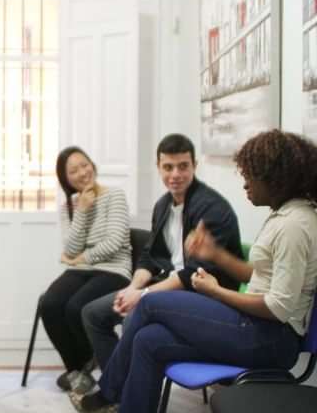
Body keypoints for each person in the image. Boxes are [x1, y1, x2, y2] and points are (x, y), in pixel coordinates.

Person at [74, 129, 317, 413]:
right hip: (256, 328)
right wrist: (216, 253)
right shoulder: (286, 215)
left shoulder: (294, 225)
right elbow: (255, 275)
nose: (244, 183)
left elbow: (278, 308)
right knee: (149, 340)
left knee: (148, 304)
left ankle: (110, 392)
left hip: (270, 339)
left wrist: (216, 291)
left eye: (251, 176)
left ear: (276, 179)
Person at [80, 134, 242, 379]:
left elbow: (193, 275)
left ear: (194, 166)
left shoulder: (212, 208)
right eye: (168, 167)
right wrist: (132, 288)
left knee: (132, 319)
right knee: (93, 314)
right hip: (170, 286)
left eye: (183, 166)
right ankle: (121, 389)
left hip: (205, 293)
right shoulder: (163, 205)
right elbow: (149, 257)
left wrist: (142, 295)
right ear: (158, 168)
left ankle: (120, 394)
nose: (175, 174)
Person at [40, 147, 131, 394]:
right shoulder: (69, 206)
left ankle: (87, 360)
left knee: (75, 307)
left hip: (114, 269)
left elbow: (115, 242)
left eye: (85, 165)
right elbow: (69, 247)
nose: (82, 172)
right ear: (66, 179)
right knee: (49, 304)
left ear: (93, 164)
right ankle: (77, 370)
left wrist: (82, 256)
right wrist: (81, 210)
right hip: (82, 269)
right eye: (73, 171)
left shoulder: (115, 196)